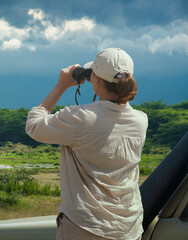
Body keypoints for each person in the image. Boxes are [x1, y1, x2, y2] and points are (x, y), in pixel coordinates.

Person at [25, 48, 148, 240]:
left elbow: (34, 126)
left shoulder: (80, 118)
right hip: (128, 227)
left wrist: (61, 86)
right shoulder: (141, 121)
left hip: (86, 226)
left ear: (96, 80)